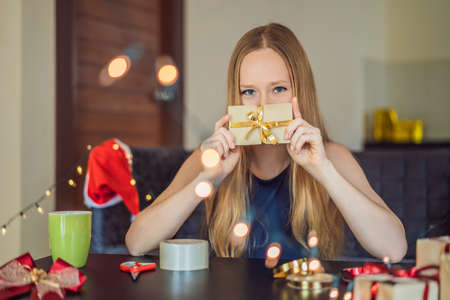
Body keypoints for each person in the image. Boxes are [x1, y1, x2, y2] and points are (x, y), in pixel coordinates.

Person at [125, 23, 407, 262]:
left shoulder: (331, 156)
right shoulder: (212, 157)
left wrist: (324, 171)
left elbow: (393, 249)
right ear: (236, 98)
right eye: (249, 92)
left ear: (301, 92)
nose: (263, 106)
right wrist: (208, 178)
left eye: (279, 89)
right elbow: (137, 242)